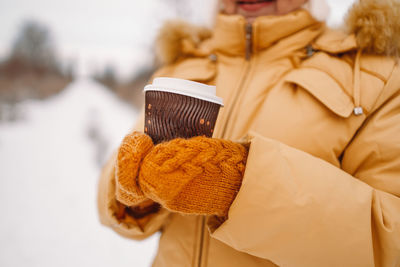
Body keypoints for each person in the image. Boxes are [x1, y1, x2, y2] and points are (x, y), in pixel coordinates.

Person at [97, 0, 400, 266]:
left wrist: (239, 185)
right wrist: (133, 191)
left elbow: (389, 240)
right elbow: (108, 195)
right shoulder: (183, 63)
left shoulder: (374, 74)